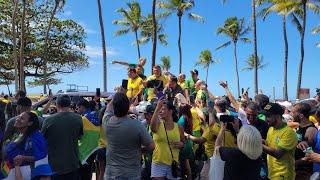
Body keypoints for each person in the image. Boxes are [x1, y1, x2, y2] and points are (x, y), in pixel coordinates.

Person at [103, 92, 155, 179]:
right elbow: (152, 146)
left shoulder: (107, 122)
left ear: (114, 106)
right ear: (128, 107)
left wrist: (117, 95)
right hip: (131, 174)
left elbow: (108, 108)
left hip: (111, 174)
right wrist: (141, 150)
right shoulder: (137, 125)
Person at [41, 95, 83, 180]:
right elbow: (80, 136)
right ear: (69, 104)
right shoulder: (78, 118)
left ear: (57, 104)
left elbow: (42, 140)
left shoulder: (49, 120)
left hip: (54, 165)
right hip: (72, 163)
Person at [3, 112, 48, 179]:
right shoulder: (20, 133)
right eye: (18, 117)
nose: (17, 119)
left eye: (22, 118)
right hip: (7, 169)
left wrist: (23, 158)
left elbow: (41, 156)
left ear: (30, 123)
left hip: (20, 172)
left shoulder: (36, 137)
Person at [150, 98, 184, 179]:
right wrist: (157, 108)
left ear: (170, 111)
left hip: (173, 164)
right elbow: (152, 128)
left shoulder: (179, 127)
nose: (160, 111)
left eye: (163, 109)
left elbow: (183, 143)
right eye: (159, 109)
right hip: (158, 162)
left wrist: (182, 144)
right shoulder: (158, 124)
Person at [262, 103, 298, 180]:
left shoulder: (288, 132)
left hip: (284, 175)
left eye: (268, 116)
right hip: (272, 173)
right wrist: (262, 142)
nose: (265, 119)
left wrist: (258, 144)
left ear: (278, 116)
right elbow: (269, 146)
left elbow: (278, 153)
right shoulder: (271, 129)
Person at [291, 102, 317, 179]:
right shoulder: (300, 127)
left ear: (301, 116)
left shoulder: (310, 130)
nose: (291, 115)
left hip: (303, 171)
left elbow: (310, 155)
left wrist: (293, 164)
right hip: (296, 169)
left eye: (293, 112)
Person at [177, 104, 194, 180]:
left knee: (183, 164)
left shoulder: (182, 119)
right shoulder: (189, 118)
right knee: (187, 163)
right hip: (189, 142)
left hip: (184, 143)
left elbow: (179, 131)